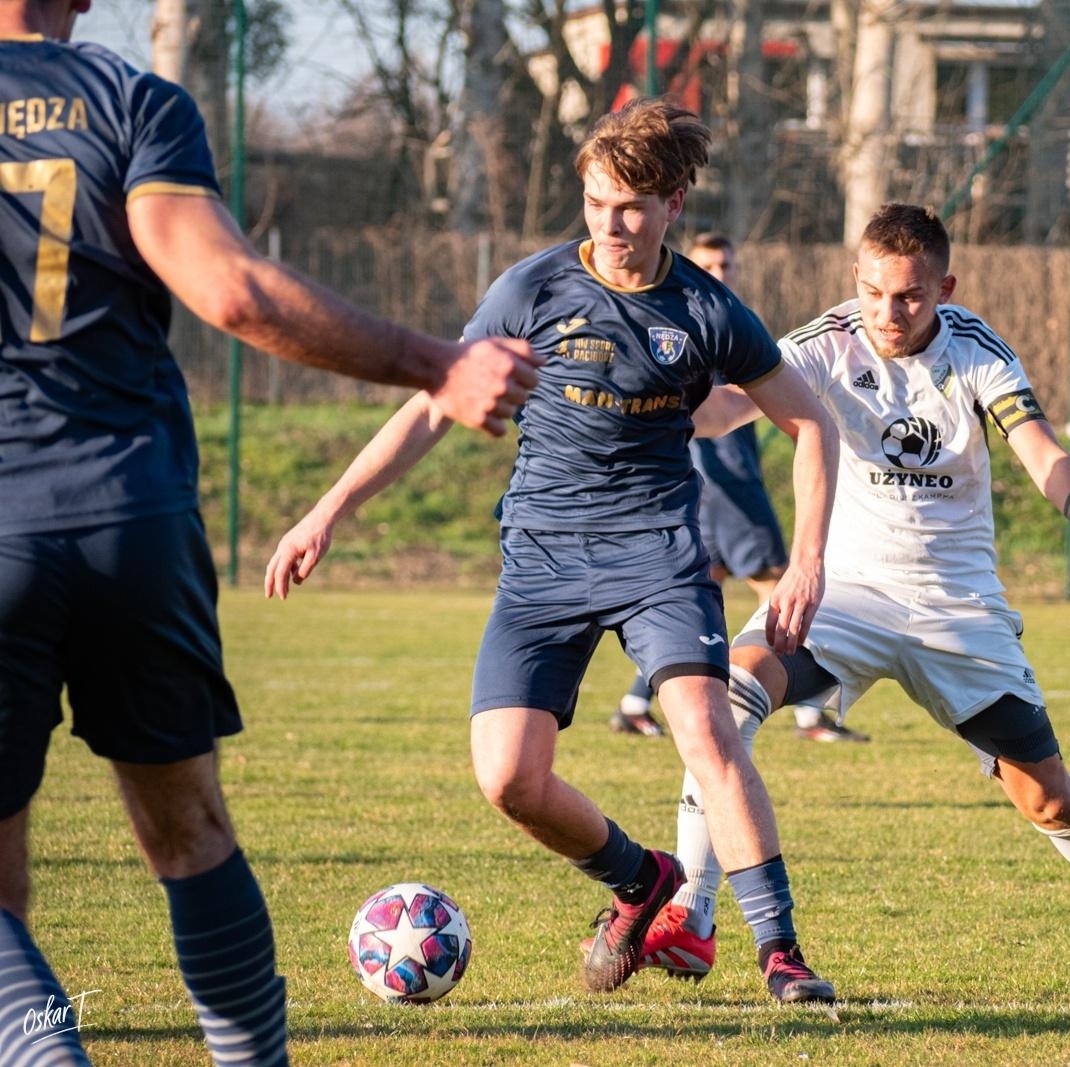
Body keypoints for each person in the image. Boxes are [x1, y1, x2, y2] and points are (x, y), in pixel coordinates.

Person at [0, 1, 538, 1062]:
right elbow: (230, 290)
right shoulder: (130, 102)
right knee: (189, 829)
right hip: (131, 513)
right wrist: (436, 361)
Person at [264, 99, 841, 1004]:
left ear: (675, 202)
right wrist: (328, 509)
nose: (612, 224)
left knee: (705, 728)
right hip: (541, 559)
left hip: (657, 554)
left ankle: (782, 953)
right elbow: (431, 406)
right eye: (597, 201)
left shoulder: (708, 309)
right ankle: (641, 880)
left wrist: (806, 560)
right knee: (507, 779)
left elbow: (811, 421)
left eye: (634, 205)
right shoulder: (530, 290)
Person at [616, 203, 1070, 992]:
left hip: (958, 612)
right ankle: (695, 914)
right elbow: (721, 410)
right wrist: (633, 393)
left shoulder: (977, 353)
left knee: (1048, 800)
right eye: (875, 291)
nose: (889, 311)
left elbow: (1044, 457)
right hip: (843, 593)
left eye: (909, 296)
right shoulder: (822, 343)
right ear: (857, 279)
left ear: (943, 286)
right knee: (723, 699)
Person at [610, 232, 866, 744]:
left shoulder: (731, 321)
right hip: (724, 489)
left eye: (726, 264)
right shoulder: (694, 324)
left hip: (718, 486)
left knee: (707, 599)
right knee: (782, 590)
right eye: (708, 265)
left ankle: (636, 700)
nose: (719, 274)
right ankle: (810, 715)